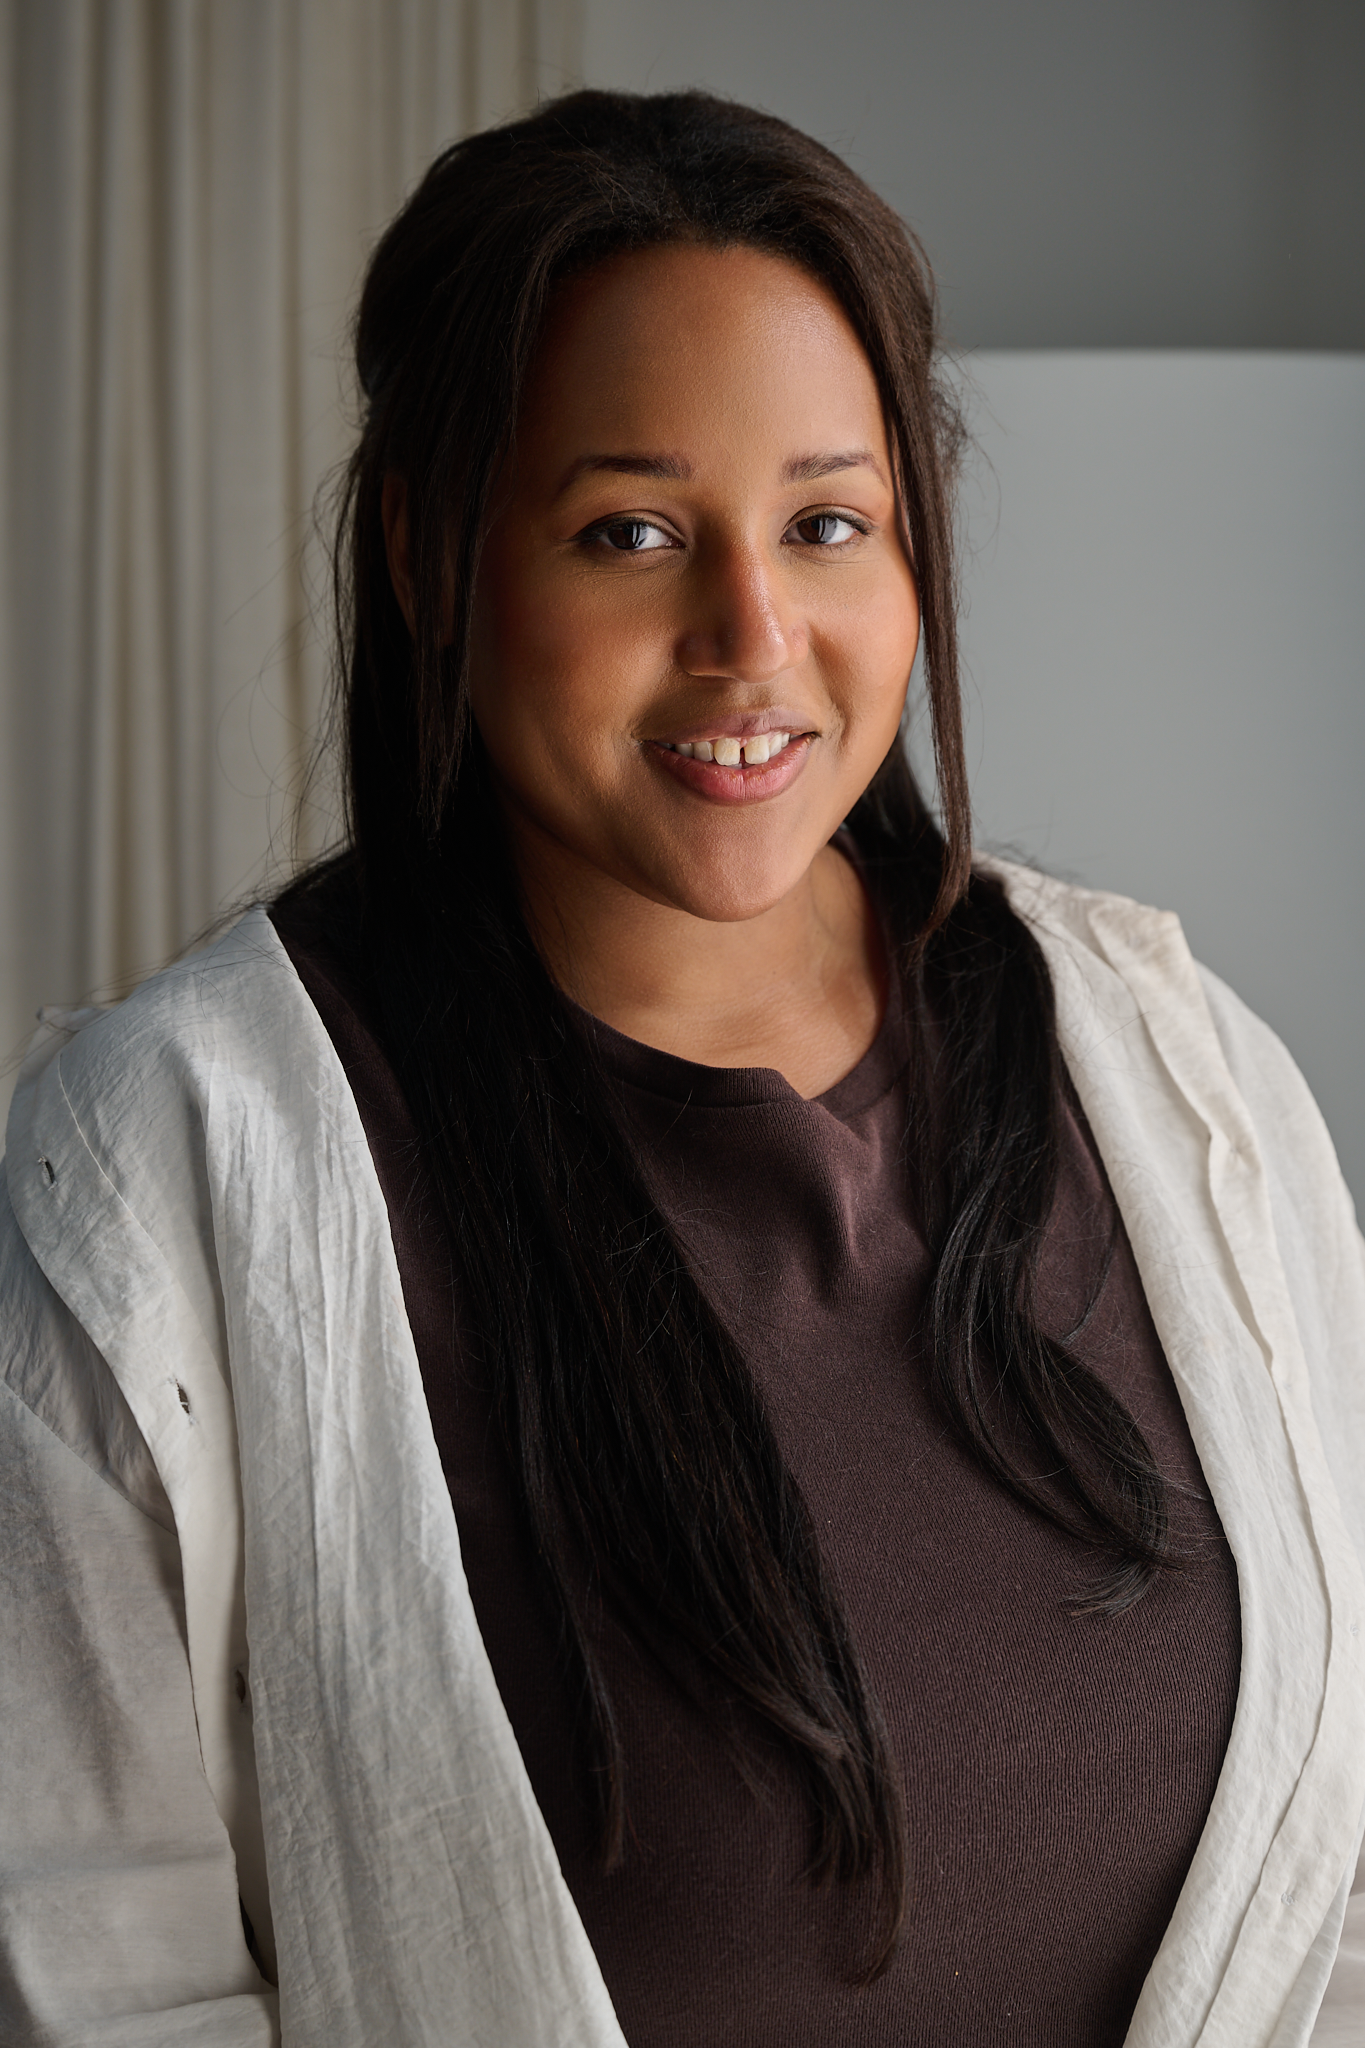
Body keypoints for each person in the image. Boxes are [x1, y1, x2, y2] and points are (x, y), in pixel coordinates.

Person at [1, 88, 1361, 2048]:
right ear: (425, 550)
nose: (751, 635)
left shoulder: (1179, 1068)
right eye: (628, 531)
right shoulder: (157, 1170)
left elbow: (1336, 1876)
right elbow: (88, 1984)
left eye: (826, 523)